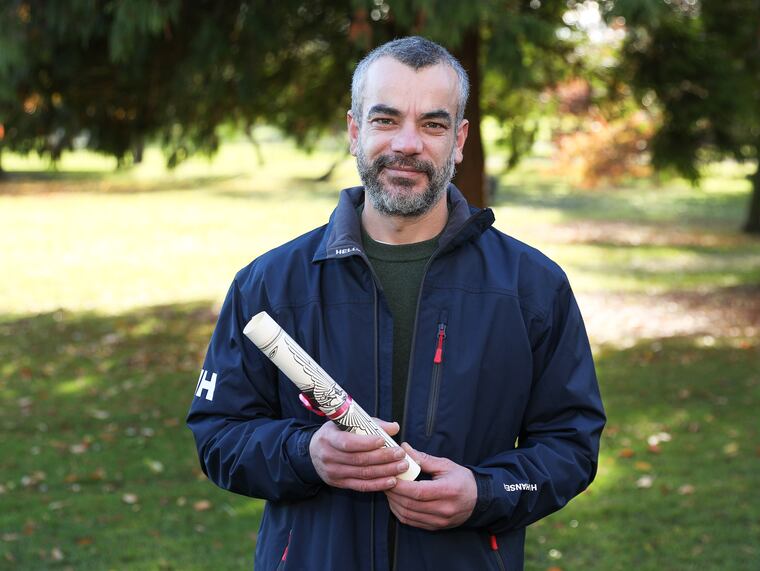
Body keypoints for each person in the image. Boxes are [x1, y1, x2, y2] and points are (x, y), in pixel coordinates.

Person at [187, 36, 605, 571]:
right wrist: (305, 454)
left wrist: (485, 492)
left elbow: (570, 446)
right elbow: (218, 435)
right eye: (386, 120)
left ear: (459, 140)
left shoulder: (532, 288)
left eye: (432, 124)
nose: (408, 143)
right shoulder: (269, 284)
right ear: (355, 131)